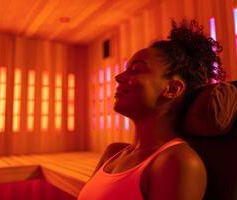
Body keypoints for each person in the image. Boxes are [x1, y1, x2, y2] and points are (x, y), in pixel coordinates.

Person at [78, 19, 225, 200]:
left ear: (172, 89)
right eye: (126, 69)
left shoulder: (177, 162)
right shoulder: (113, 153)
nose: (118, 77)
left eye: (136, 69)